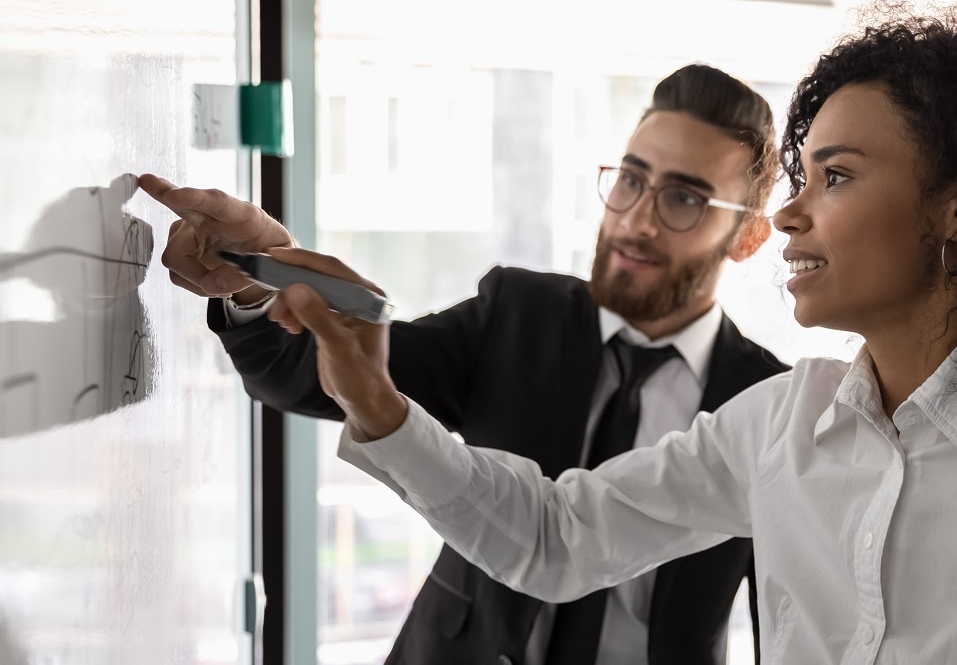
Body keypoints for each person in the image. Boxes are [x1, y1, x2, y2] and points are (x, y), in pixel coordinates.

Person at [156, 1, 957, 662]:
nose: (793, 213)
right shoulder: (777, 424)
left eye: (836, 176)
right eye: (800, 176)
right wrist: (372, 395)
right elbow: (553, 538)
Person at [140, 64, 788, 664]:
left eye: (684, 200)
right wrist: (260, 280)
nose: (638, 220)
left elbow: (789, 624)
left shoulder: (767, 404)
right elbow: (316, 377)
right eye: (631, 180)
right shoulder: (518, 313)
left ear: (749, 236)